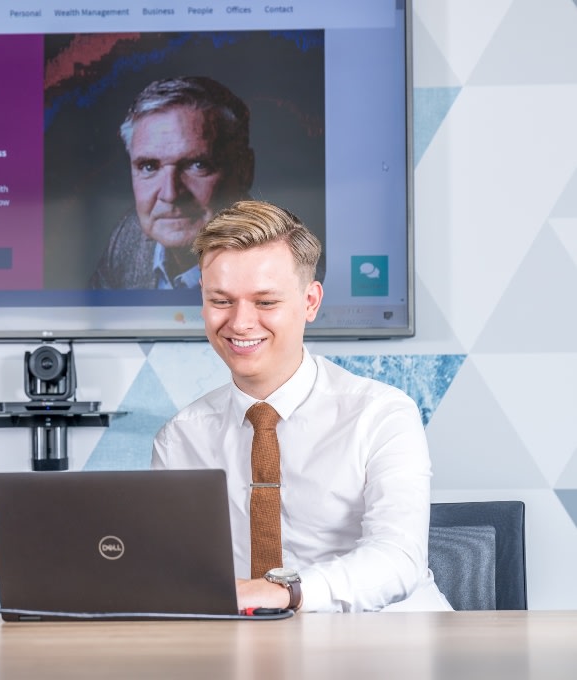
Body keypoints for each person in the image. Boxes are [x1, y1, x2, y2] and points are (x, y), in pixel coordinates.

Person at [151, 200, 450, 613]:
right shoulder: (181, 438)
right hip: (244, 654)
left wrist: (284, 594)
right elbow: (172, 573)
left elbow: (398, 558)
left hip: (388, 646)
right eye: (221, 301)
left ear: (310, 302)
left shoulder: (382, 414)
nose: (240, 323)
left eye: (266, 302)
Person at [89, 75, 255, 290]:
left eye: (197, 165)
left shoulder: (284, 262)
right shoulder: (128, 238)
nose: (170, 194)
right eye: (149, 167)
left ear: (244, 171)